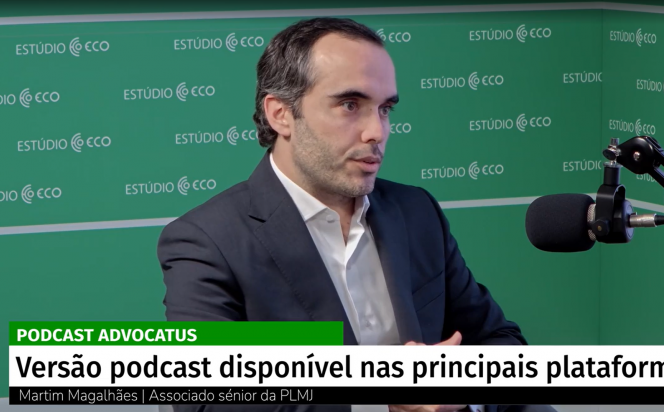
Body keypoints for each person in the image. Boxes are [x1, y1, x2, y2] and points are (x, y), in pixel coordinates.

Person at [158, 17, 553, 412]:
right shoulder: (209, 240)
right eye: (350, 105)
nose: (376, 131)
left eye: (385, 109)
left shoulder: (416, 212)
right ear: (281, 114)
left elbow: (499, 343)